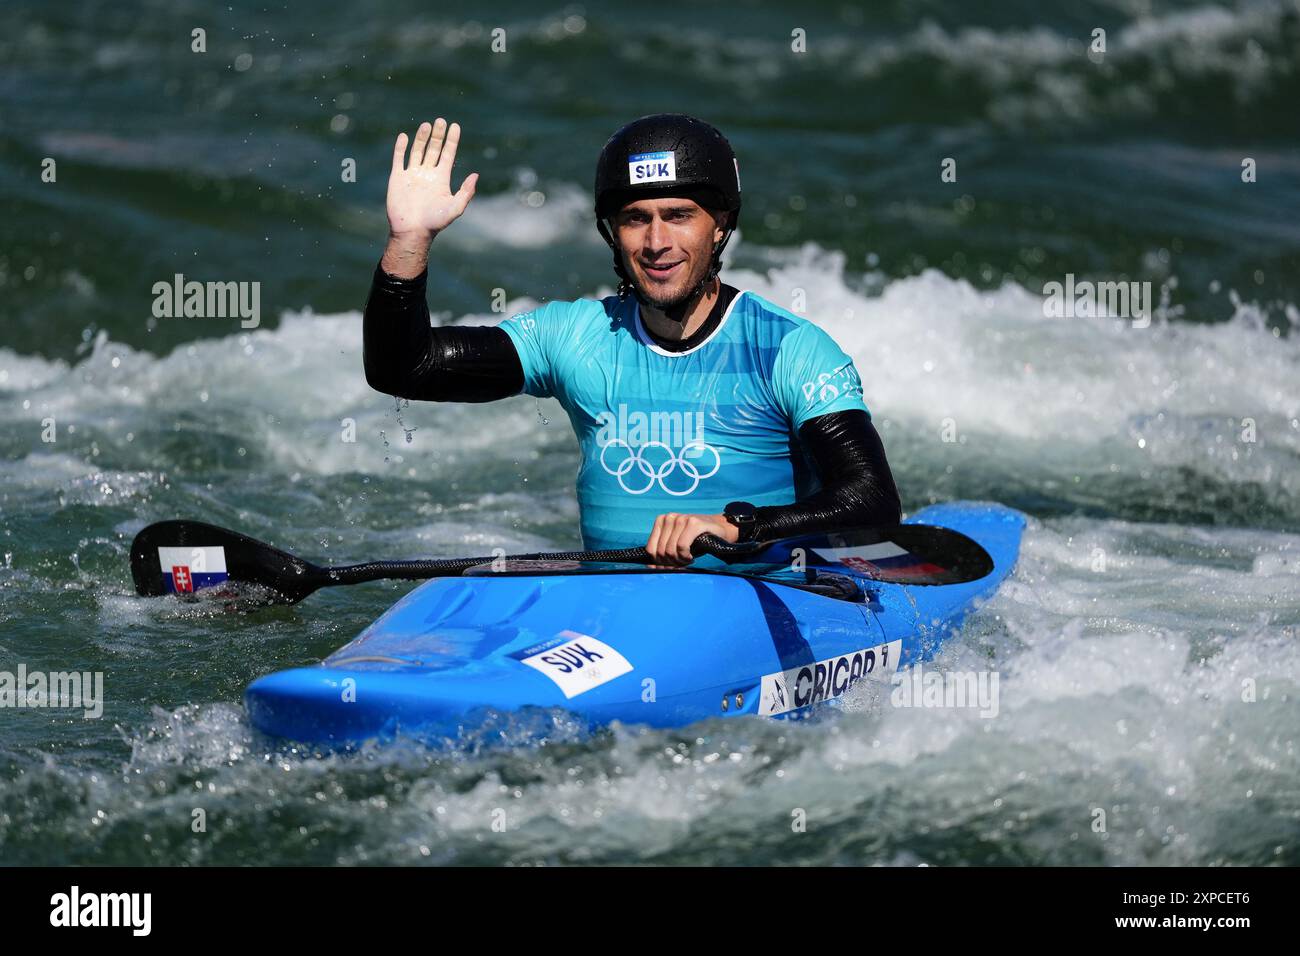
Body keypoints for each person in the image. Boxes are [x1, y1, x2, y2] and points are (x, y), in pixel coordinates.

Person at [363, 113, 900, 566]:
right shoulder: (576, 336)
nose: (657, 242)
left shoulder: (789, 348)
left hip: (757, 605)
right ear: (610, 234)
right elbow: (403, 369)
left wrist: (738, 527)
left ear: (720, 226)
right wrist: (410, 241)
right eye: (635, 219)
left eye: (680, 216)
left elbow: (871, 500)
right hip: (615, 614)